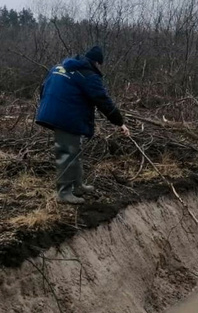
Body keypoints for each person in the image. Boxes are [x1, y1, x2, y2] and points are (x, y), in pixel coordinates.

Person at [35, 46, 130, 204]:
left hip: (57, 112)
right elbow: (102, 100)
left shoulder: (59, 67)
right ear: (96, 63)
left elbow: (43, 88)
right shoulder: (88, 75)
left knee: (74, 150)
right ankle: (64, 193)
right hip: (65, 116)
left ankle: (78, 186)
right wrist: (120, 122)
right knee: (66, 152)